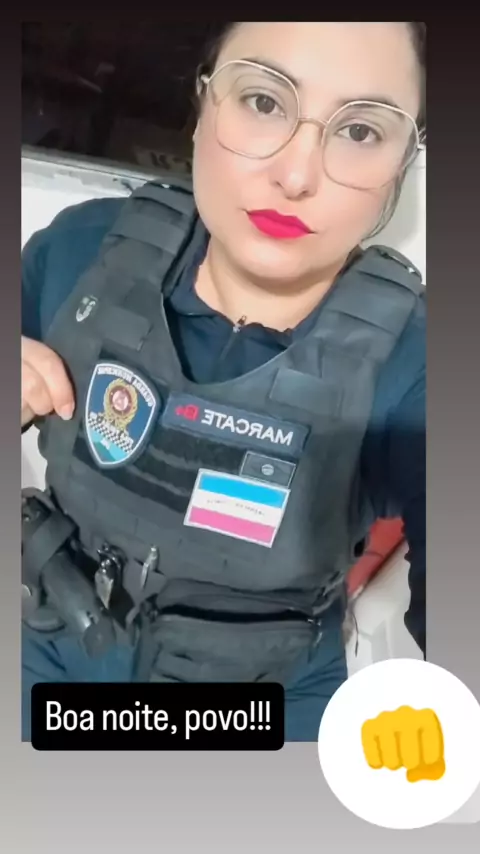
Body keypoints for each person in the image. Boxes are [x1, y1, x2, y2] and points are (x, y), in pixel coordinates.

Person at [21, 21, 426, 742]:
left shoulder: (415, 363)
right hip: (51, 645)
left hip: (264, 699)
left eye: (361, 131)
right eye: (264, 101)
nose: (297, 175)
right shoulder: (80, 252)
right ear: (204, 103)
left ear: (403, 164)